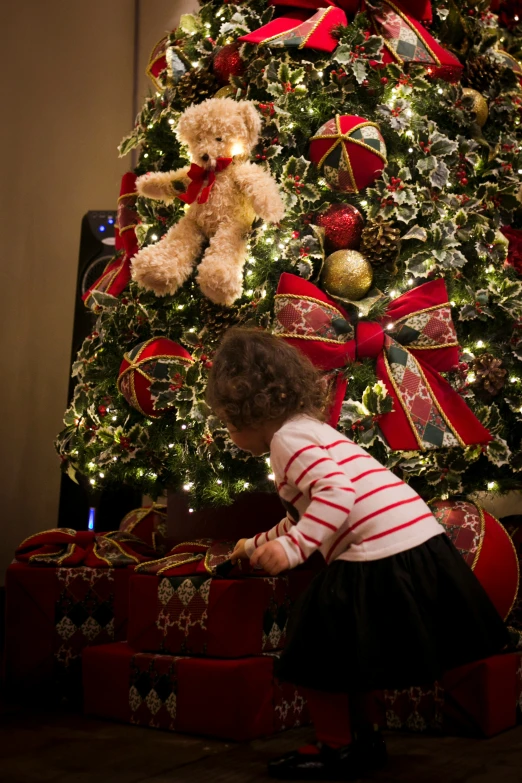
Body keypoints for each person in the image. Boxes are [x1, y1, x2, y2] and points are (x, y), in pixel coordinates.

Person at [206, 327, 510, 781]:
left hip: (377, 551)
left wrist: (293, 549)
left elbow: (335, 494)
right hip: (413, 539)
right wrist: (256, 545)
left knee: (316, 649)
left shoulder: (285, 443)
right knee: (352, 653)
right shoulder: (308, 431)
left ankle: (335, 745)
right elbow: (312, 509)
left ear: (246, 413)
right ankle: (363, 737)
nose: (229, 433)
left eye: (228, 422)